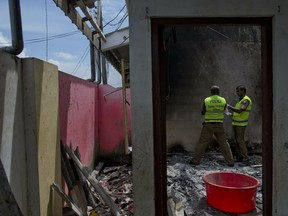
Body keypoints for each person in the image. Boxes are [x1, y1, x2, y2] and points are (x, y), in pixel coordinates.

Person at [190, 85, 234, 167]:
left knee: (202, 143)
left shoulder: (207, 100)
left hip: (208, 125)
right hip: (219, 125)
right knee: (224, 143)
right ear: (219, 92)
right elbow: (225, 110)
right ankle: (230, 162)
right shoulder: (223, 100)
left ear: (211, 92)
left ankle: (195, 161)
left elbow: (202, 112)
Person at [227, 85, 252, 165]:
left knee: (240, 141)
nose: (237, 92)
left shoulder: (245, 100)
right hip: (237, 123)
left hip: (241, 124)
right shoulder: (240, 100)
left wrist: (229, 106)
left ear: (243, 91)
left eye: (238, 91)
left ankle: (246, 158)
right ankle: (241, 156)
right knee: (238, 140)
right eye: (236, 91)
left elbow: (240, 110)